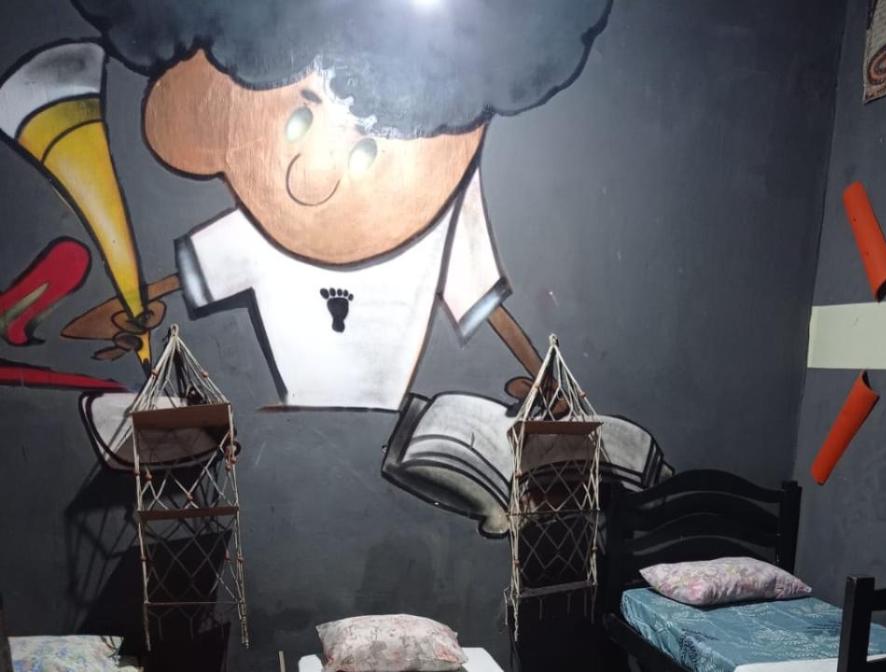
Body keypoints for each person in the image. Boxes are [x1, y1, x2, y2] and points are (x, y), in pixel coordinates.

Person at [63, 0, 611, 409]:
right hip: (282, 432)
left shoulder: (440, 231)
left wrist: (546, 381)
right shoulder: (257, 238)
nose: (310, 182)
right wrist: (126, 311)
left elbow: (485, 309)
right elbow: (181, 283)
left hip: (391, 431)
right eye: (299, 120)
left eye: (368, 147)